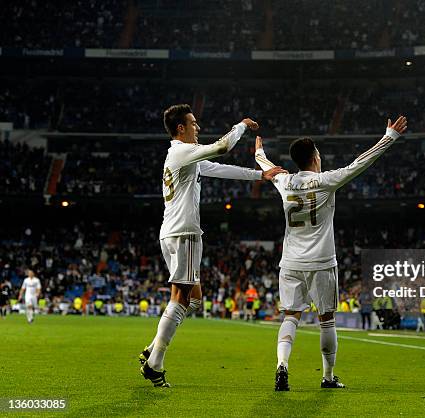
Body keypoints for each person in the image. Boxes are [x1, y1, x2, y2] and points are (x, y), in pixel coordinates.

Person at [255, 115, 407, 391]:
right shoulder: (326, 181)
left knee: (291, 316)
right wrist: (389, 137)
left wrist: (258, 152)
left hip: (290, 262)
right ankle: (327, 377)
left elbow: (266, 167)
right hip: (322, 262)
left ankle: (282, 365)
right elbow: (360, 163)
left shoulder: (284, 182)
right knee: (327, 320)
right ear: (314, 157)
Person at [139, 104, 285, 388]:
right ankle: (155, 364)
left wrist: (258, 176)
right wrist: (240, 125)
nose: (198, 128)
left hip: (172, 232)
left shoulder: (182, 155)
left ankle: (154, 347)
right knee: (180, 298)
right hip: (184, 233)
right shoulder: (182, 151)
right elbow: (221, 148)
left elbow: (217, 168)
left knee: (193, 299)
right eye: (193, 124)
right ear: (181, 128)